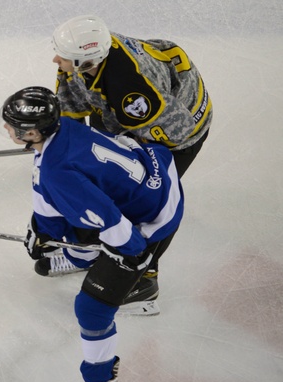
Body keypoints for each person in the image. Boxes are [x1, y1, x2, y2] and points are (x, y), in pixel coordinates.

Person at [3, 86, 183, 382]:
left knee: (90, 308)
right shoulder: (65, 127)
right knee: (78, 216)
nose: (7, 130)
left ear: (31, 133)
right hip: (157, 172)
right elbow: (57, 201)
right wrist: (44, 232)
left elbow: (110, 221)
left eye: (12, 126)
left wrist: (135, 257)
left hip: (152, 217)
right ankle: (80, 257)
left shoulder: (57, 173)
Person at [36, 15, 211, 283]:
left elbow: (171, 136)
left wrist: (128, 158)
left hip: (177, 129)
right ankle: (86, 254)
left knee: (144, 202)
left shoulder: (131, 94)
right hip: (139, 103)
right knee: (97, 181)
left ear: (87, 62)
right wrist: (59, 144)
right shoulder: (89, 52)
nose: (55, 60)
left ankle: (141, 279)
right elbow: (71, 95)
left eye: (63, 56)